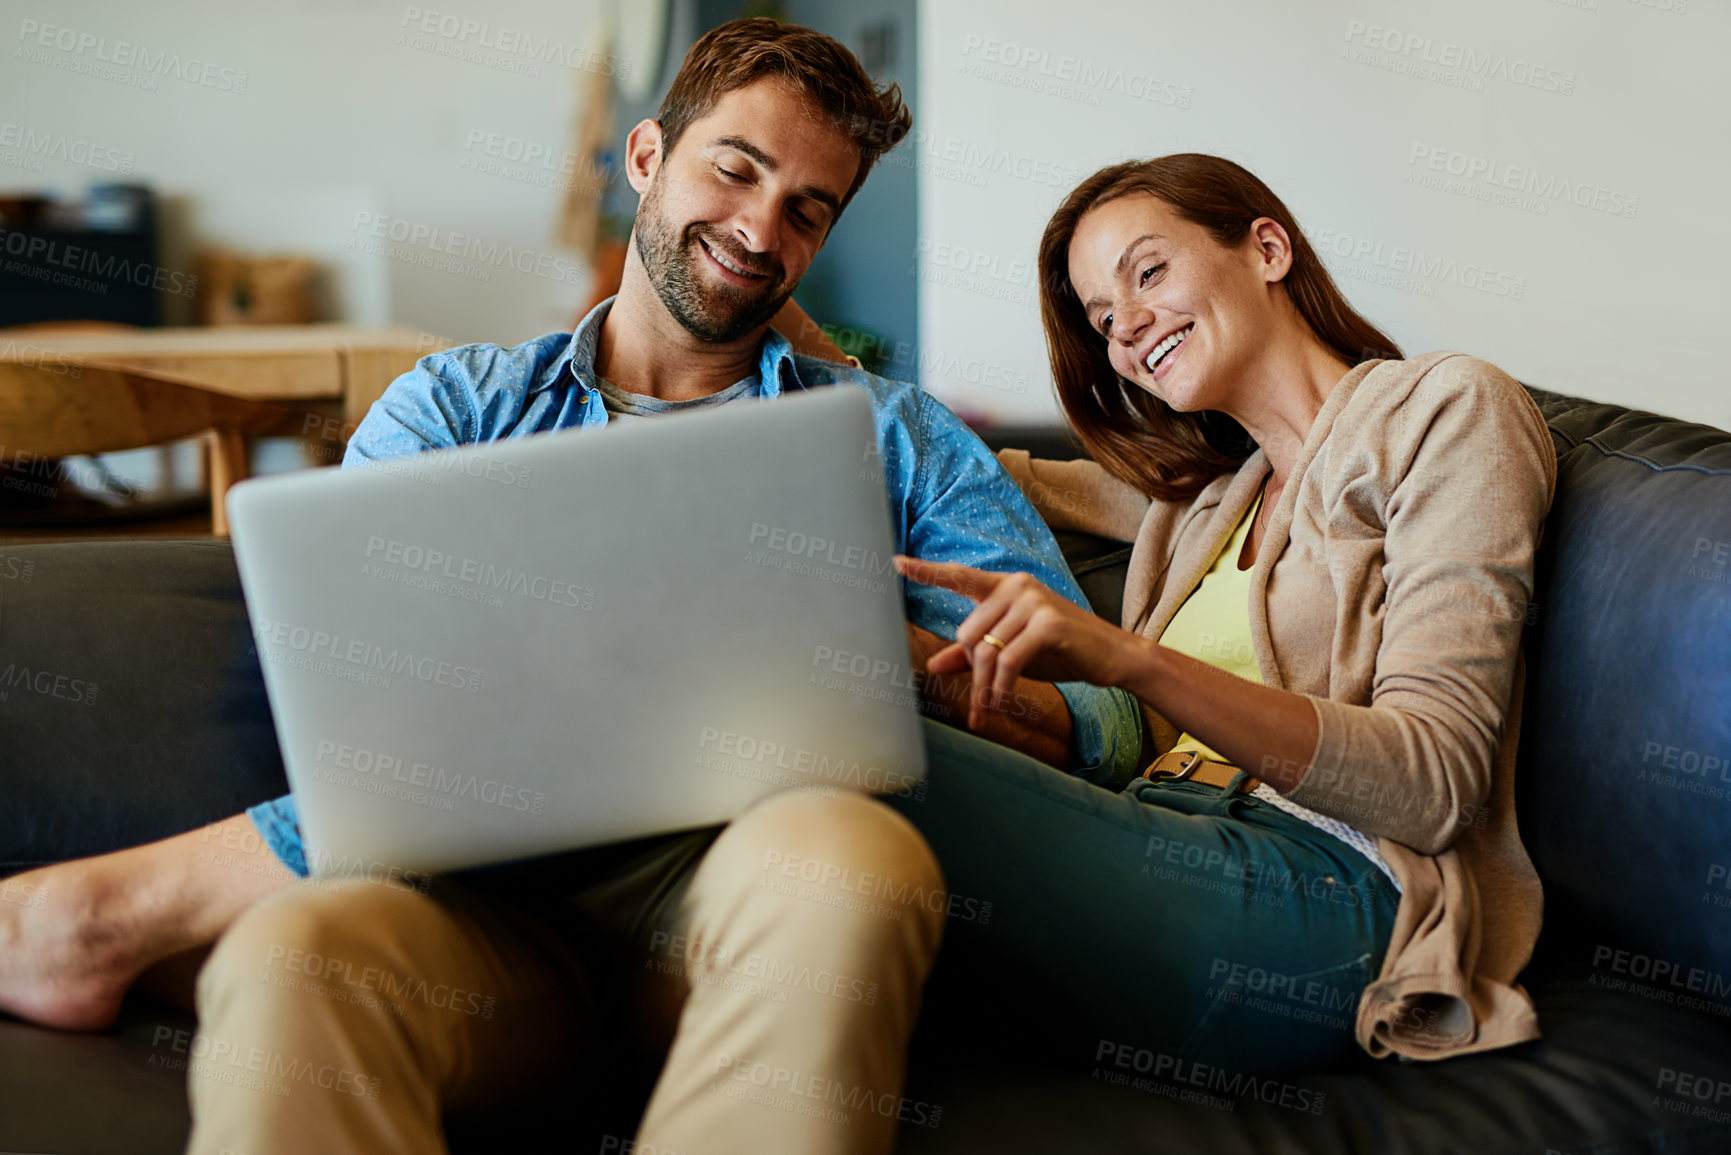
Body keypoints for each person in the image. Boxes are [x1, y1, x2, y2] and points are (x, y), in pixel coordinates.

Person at [0, 19, 1141, 1155]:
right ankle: (108, 918)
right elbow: (351, 707)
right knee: (290, 955)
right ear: (647, 159)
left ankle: (105, 913)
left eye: (807, 209)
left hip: (743, 909)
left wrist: (886, 656)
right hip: (473, 919)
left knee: (852, 861)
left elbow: (1103, 720)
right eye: (735, 169)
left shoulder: (900, 442)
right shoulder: (456, 409)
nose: (759, 228)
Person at [885, 153, 1556, 1078]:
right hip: (1158, 827)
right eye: (1101, 317)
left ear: (1267, 248)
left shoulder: (1442, 413)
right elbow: (965, 466)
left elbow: (1433, 781)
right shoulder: (1205, 501)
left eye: (1147, 272)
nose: (1125, 326)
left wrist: (1131, 661)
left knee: (845, 748)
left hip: (1332, 883)